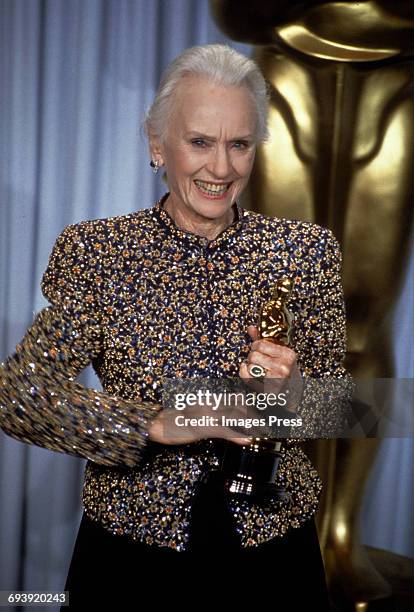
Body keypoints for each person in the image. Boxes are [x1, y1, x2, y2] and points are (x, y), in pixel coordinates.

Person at [0, 44, 352, 609]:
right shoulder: (101, 252)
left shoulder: (304, 251)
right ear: (157, 143)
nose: (221, 167)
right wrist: (159, 422)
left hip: (273, 550)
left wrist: (292, 395)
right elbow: (18, 395)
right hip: (131, 554)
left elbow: (341, 405)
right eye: (200, 142)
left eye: (239, 144)